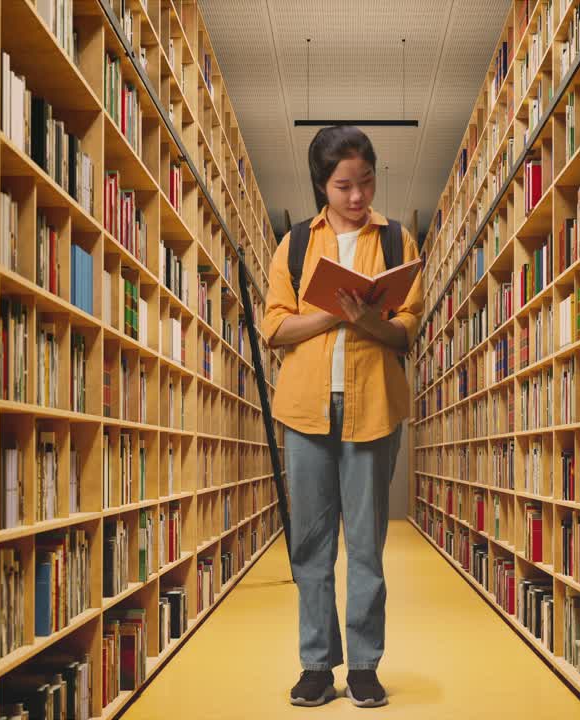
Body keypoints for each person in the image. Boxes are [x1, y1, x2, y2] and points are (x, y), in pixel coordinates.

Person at [262, 125, 423, 708]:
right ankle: (314, 665)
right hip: (306, 409)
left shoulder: (399, 242)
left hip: (374, 406)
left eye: (367, 182)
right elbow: (275, 327)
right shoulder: (297, 246)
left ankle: (364, 666)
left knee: (365, 546)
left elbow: (406, 330)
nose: (357, 197)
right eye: (344, 186)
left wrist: (368, 321)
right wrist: (336, 315)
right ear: (322, 187)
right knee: (309, 543)